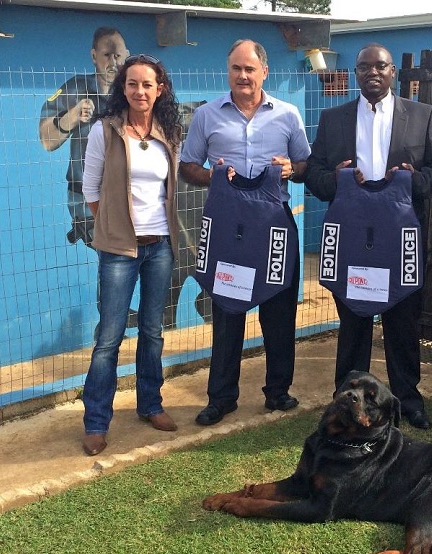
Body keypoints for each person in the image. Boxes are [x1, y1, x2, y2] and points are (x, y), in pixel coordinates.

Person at [305, 43, 432, 430]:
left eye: (381, 66)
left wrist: (414, 181)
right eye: (364, 67)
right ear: (355, 74)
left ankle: (407, 400)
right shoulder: (334, 119)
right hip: (352, 239)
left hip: (399, 239)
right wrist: (336, 180)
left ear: (393, 73)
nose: (372, 72)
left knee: (402, 321)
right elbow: (315, 175)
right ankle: (347, 401)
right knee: (353, 321)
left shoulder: (422, 115)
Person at [179, 39, 311, 426]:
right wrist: (215, 177)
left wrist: (290, 169)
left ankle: (278, 391)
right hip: (227, 228)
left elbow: (305, 164)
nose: (242, 75)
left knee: (280, 310)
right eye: (236, 68)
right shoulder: (206, 115)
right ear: (229, 72)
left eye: (249, 69)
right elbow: (188, 166)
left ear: (264, 72)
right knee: (227, 310)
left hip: (274, 226)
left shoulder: (287, 115)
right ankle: (221, 398)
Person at [80, 54, 182, 456]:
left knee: (153, 332)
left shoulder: (168, 131)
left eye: (147, 84)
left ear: (160, 90)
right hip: (119, 251)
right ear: (122, 88)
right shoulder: (104, 131)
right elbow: (91, 190)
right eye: (132, 84)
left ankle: (150, 404)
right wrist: (113, 227)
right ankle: (95, 422)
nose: (140, 91)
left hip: (160, 246)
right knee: (108, 338)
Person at [40, 27, 129, 247]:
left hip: (128, 194)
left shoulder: (133, 92)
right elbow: (46, 140)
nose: (113, 62)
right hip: (85, 197)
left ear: (126, 56)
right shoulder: (76, 88)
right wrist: (70, 117)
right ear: (93, 56)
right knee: (109, 252)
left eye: (118, 56)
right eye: (107, 55)